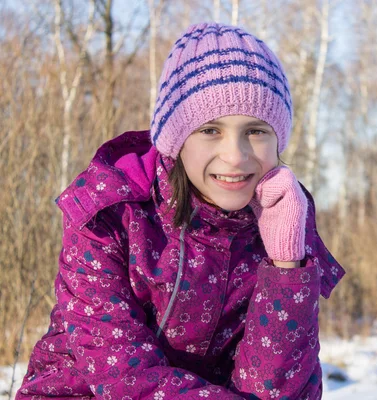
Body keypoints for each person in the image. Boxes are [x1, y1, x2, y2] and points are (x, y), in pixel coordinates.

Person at [17, 22, 345, 399]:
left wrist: (286, 264)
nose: (235, 156)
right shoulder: (109, 214)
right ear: (176, 139)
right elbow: (125, 377)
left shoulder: (283, 218)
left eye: (256, 131)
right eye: (210, 131)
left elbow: (284, 391)